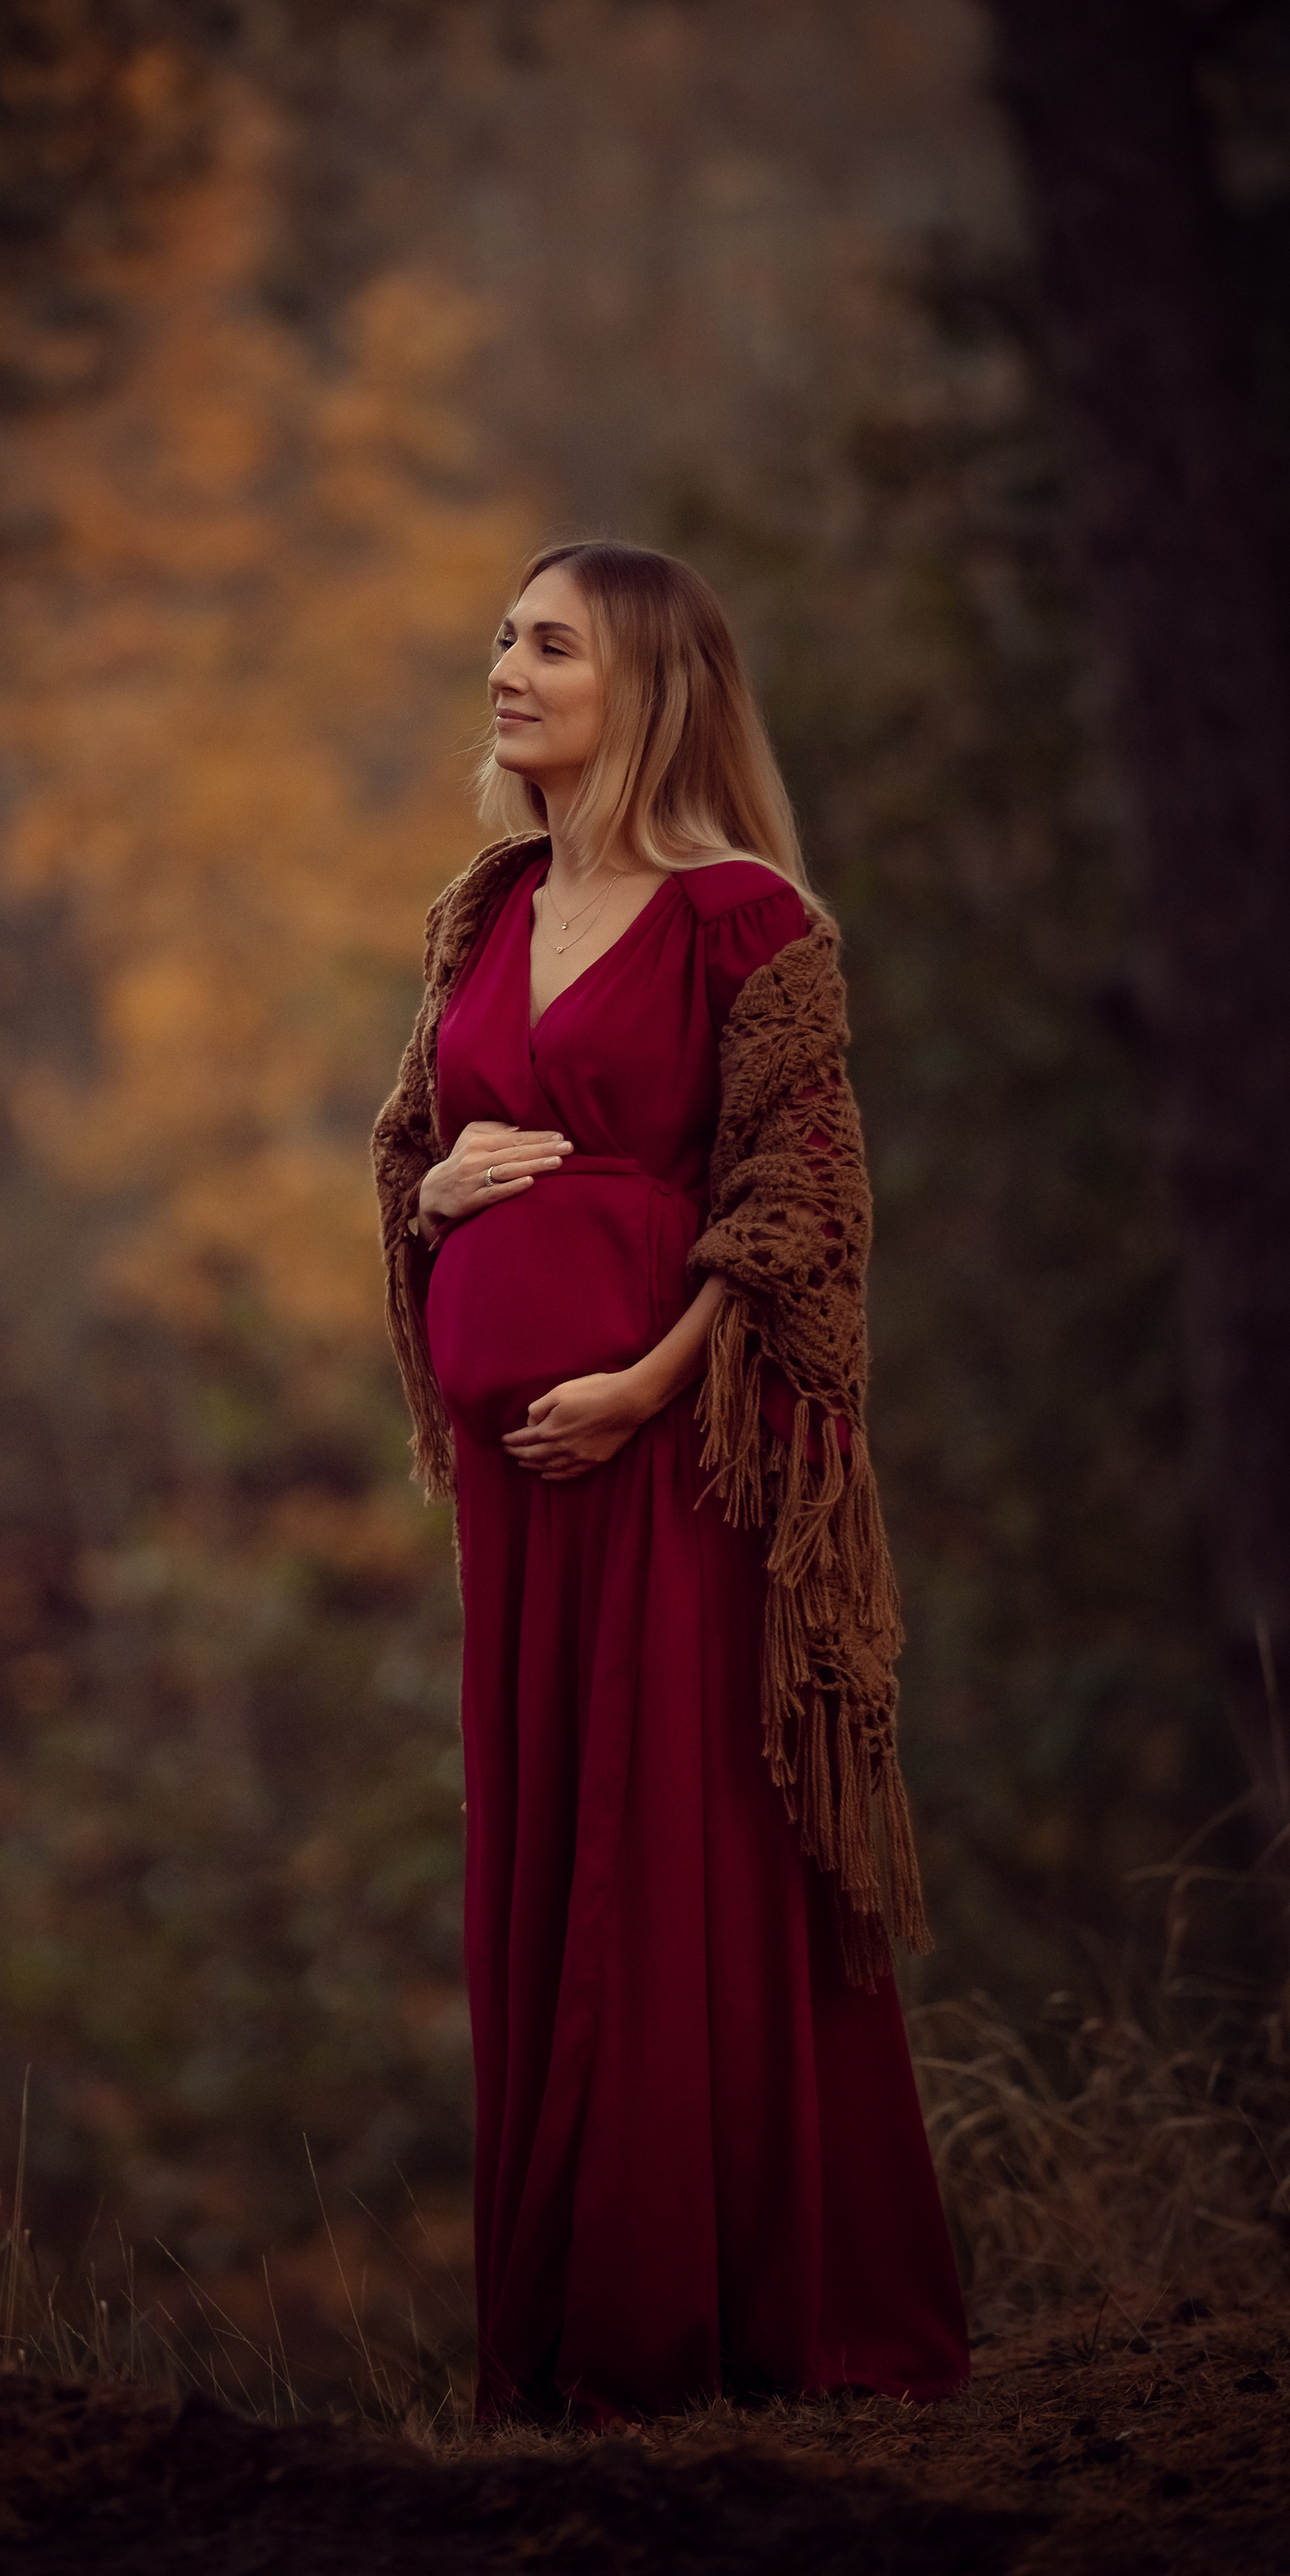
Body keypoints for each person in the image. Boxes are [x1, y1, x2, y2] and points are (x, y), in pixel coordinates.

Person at [372, 541, 969, 2426]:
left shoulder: (745, 922)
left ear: (648, 684)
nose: (505, 668)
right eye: (499, 638)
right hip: (517, 1490)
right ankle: (557, 2342)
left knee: (671, 1851)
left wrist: (640, 1384)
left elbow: (801, 1205)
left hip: (674, 1461)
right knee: (545, 1863)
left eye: (547, 644)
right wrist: (434, 1198)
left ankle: (706, 2325)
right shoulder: (481, 909)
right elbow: (413, 1146)